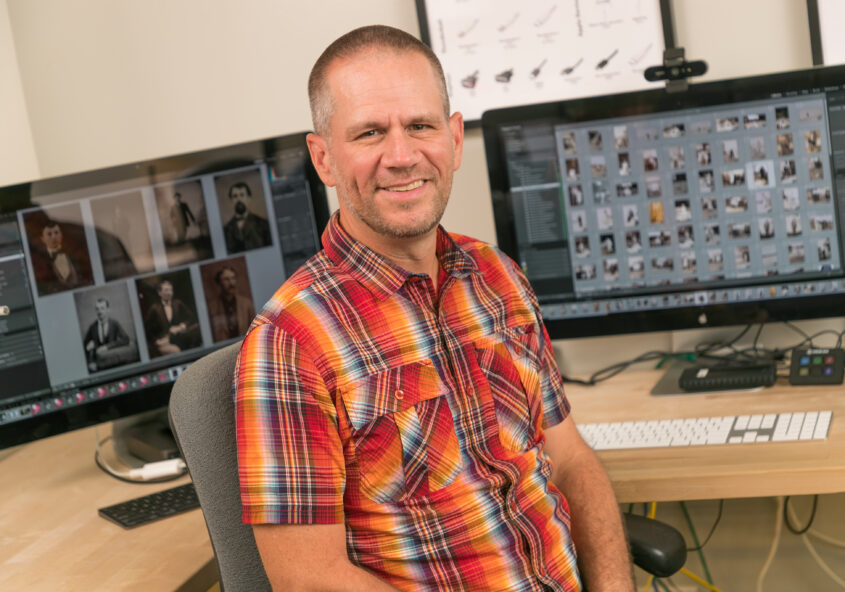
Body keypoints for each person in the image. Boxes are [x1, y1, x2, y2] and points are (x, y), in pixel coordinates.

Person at [235, 25, 632, 592]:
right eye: (370, 133)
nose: (401, 156)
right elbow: (310, 580)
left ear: (453, 138)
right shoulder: (290, 342)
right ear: (322, 158)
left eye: (419, 126)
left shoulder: (497, 275)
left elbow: (570, 461)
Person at [30, 218, 90, 294]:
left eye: (56, 233)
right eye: (49, 234)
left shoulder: (75, 251)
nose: (54, 237)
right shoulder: (50, 286)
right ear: (43, 239)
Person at [143, 279, 200, 356]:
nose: (169, 293)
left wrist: (181, 326)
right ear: (159, 293)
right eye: (166, 290)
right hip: (164, 343)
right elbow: (147, 329)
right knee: (176, 351)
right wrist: (156, 341)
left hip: (181, 338)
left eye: (171, 290)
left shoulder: (178, 304)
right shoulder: (155, 309)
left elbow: (192, 318)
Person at [207, 265, 254, 342]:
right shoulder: (212, 307)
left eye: (233, 278)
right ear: (219, 282)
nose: (231, 283)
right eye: (226, 279)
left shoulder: (247, 304)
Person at [83, 297, 131, 372]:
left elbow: (126, 339)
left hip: (114, 362)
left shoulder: (114, 324)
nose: (100, 312)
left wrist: (107, 347)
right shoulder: (92, 327)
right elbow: (84, 347)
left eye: (102, 308)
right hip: (98, 366)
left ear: (108, 309)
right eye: (97, 309)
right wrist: (90, 362)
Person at [222, 182, 272, 253]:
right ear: (231, 200)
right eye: (235, 196)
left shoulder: (264, 225)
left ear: (249, 198)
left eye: (242, 195)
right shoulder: (225, 230)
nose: (239, 199)